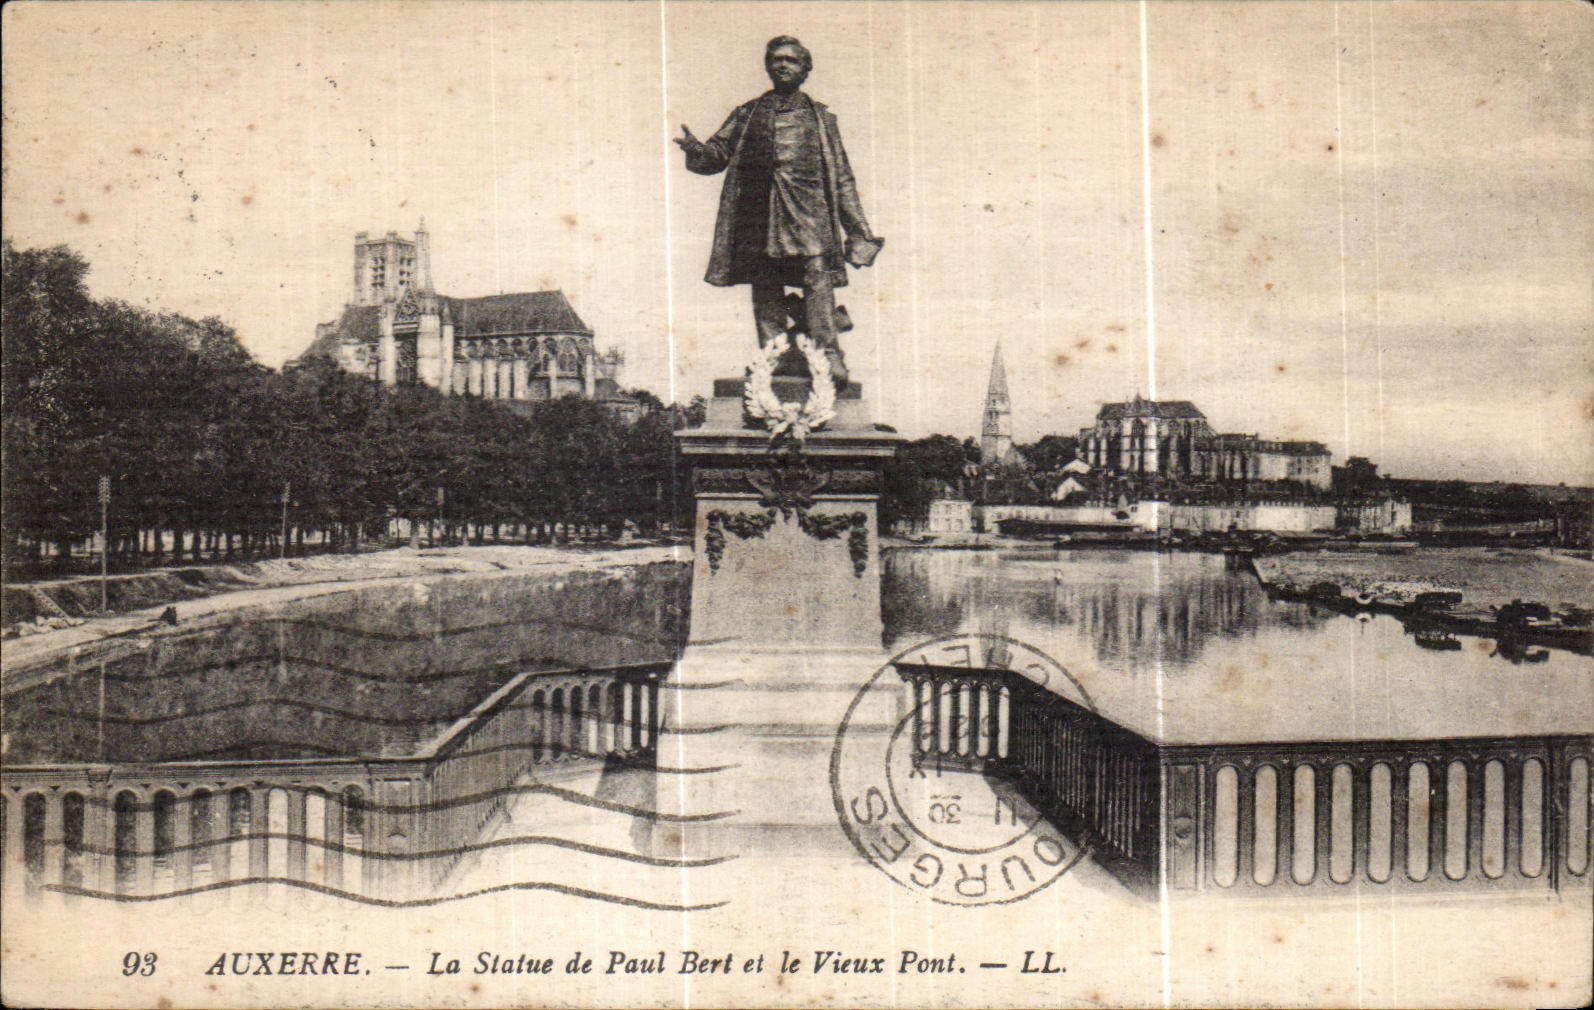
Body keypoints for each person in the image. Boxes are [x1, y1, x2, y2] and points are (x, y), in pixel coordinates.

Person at [676, 35, 883, 387]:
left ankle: (828, 354)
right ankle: (771, 355)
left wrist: (859, 231)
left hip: (809, 214)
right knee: (766, 283)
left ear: (806, 69)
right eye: (776, 59)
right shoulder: (747, 112)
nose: (782, 65)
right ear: (767, 66)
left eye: (791, 60)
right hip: (758, 216)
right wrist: (696, 150)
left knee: (816, 278)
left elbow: (843, 178)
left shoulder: (821, 119)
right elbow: (716, 154)